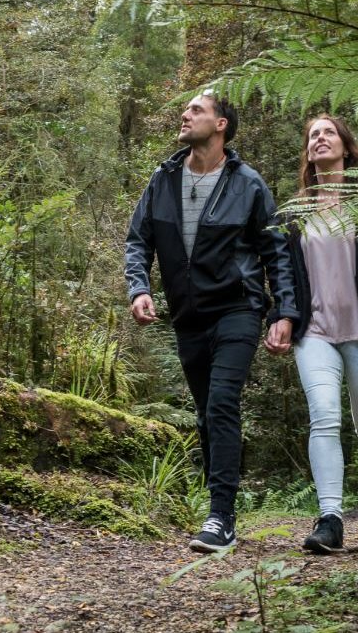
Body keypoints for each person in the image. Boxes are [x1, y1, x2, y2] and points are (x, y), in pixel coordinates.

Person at [125, 92, 299, 553]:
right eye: (186, 110)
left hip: (237, 309)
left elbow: (276, 253)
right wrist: (139, 288)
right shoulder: (162, 179)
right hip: (187, 316)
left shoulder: (248, 184)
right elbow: (137, 240)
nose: (184, 115)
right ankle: (219, 508)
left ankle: (221, 516)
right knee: (206, 412)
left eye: (196, 110)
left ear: (221, 124)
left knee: (222, 403)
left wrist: (283, 312)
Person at [274, 114, 358, 553]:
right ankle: (330, 519)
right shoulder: (294, 213)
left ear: (346, 146)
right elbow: (283, 275)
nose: (319, 139)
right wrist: (282, 315)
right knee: (324, 417)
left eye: (328, 132)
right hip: (314, 333)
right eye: (313, 135)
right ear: (307, 150)